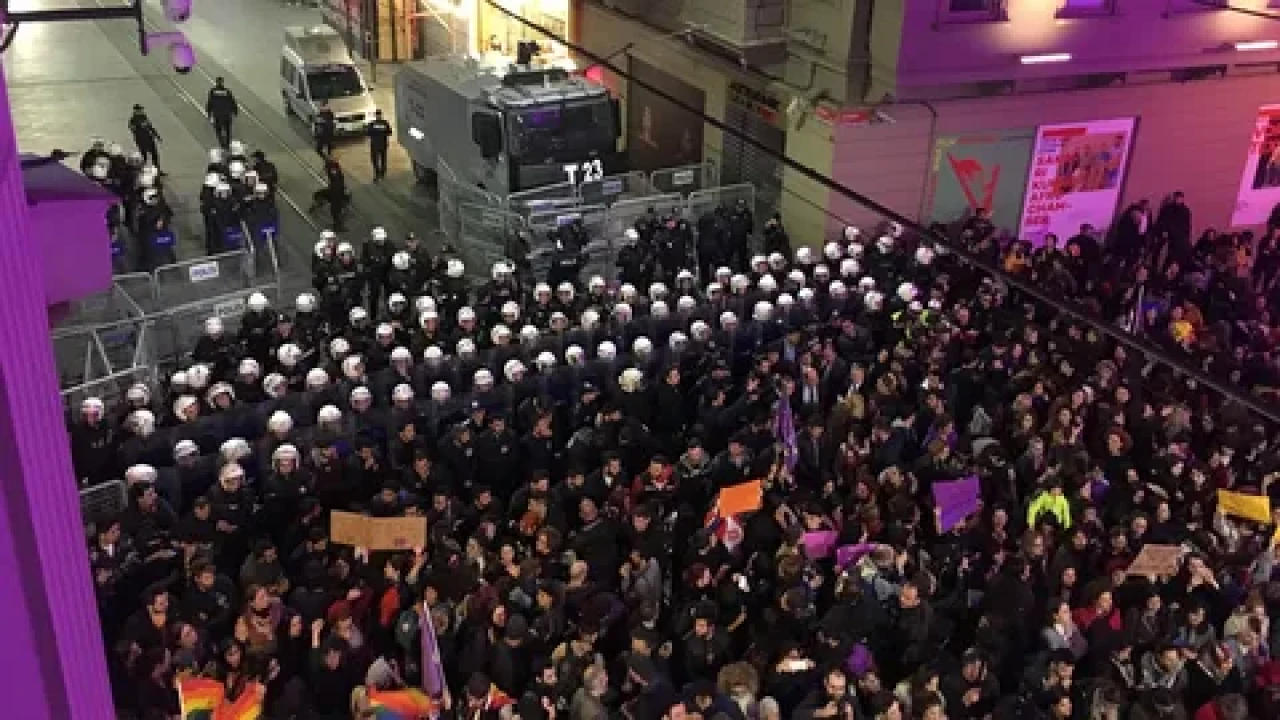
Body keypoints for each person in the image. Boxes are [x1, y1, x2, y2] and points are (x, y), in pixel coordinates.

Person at [308, 158, 349, 232]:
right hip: (336, 190)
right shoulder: (335, 171)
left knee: (335, 209)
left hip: (336, 192)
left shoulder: (333, 171)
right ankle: (338, 224)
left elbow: (335, 179)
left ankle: (338, 225)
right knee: (334, 207)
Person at [206, 77, 239, 149]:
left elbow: (210, 102)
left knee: (218, 129)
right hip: (226, 114)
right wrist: (235, 111)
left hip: (217, 114)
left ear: (216, 82)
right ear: (222, 82)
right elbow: (232, 101)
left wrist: (208, 112)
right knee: (227, 129)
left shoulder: (213, 91)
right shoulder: (227, 91)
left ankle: (221, 143)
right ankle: (227, 143)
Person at [128, 105, 163, 170]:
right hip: (141, 141)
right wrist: (138, 125)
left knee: (155, 156)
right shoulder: (132, 120)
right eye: (140, 110)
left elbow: (150, 127)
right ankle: (144, 172)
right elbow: (133, 130)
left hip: (149, 139)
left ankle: (157, 170)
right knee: (145, 158)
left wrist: (157, 136)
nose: (142, 111)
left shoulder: (144, 117)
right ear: (135, 111)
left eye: (141, 109)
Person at [366, 109, 392, 181]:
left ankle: (379, 173)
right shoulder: (385, 123)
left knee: (376, 160)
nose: (378, 116)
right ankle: (381, 173)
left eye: (378, 114)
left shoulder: (372, 124)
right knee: (382, 159)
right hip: (382, 144)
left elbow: (368, 133)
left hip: (375, 145)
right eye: (378, 114)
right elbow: (389, 132)